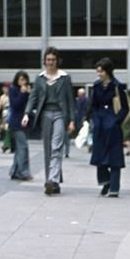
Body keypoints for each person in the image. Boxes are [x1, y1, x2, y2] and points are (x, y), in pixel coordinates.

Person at [23, 46, 75, 195]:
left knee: (56, 146)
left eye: (53, 60)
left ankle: (52, 179)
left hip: (60, 114)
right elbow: (32, 97)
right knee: (48, 149)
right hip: (45, 115)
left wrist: (71, 120)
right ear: (44, 61)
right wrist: (27, 114)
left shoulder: (65, 78)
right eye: (48, 60)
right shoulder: (40, 79)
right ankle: (53, 182)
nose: (50, 62)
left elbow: (71, 101)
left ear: (57, 61)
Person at [86, 57, 128, 198]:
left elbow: (125, 108)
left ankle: (114, 187)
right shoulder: (96, 86)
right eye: (97, 71)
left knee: (114, 157)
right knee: (99, 155)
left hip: (113, 125)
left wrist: (116, 121)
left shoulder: (118, 86)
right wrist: (94, 119)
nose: (99, 74)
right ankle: (106, 182)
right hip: (100, 124)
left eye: (101, 71)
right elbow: (93, 105)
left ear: (108, 71)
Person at [7, 71, 32, 181]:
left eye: (24, 79)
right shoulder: (13, 90)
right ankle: (23, 172)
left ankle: (15, 171)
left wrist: (29, 94)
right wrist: (22, 93)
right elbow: (15, 105)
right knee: (23, 147)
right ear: (16, 80)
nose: (23, 82)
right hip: (16, 123)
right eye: (20, 79)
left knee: (19, 148)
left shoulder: (27, 90)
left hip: (24, 122)